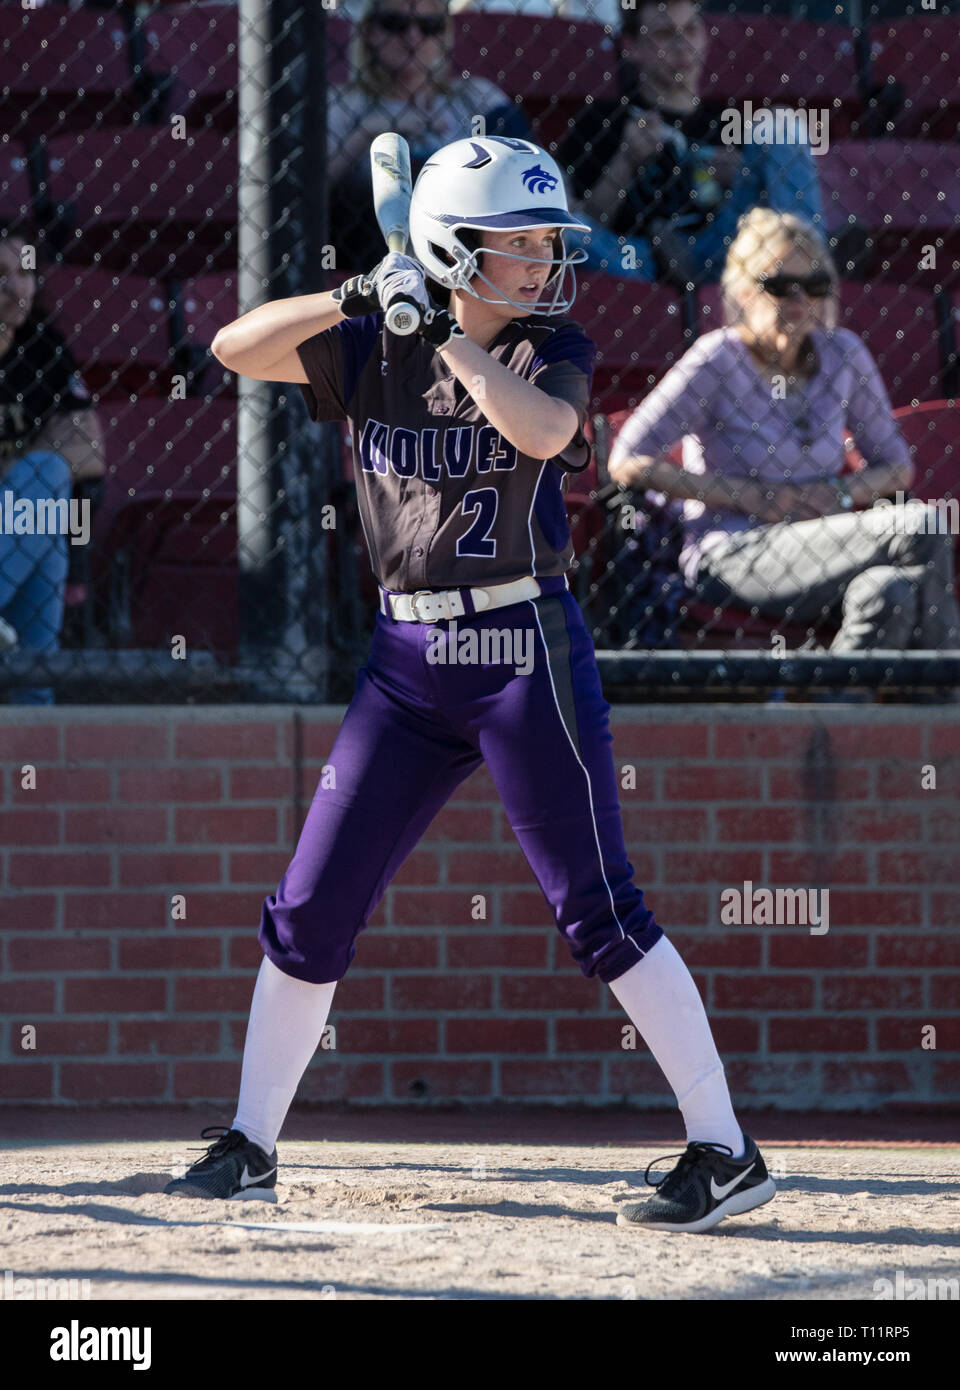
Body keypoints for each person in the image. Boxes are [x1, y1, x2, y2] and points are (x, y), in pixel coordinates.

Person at [165, 135, 777, 1234]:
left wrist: (447, 330)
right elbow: (232, 345)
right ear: (454, 247)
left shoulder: (553, 347)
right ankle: (251, 1141)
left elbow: (547, 432)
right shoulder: (373, 342)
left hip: (520, 652)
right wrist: (361, 291)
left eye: (549, 241)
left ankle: (726, 1149)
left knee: (599, 910)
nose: (546, 261)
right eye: (520, 244)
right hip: (403, 663)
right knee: (310, 905)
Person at [607, 207, 960, 654]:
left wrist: (839, 494)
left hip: (824, 546)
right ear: (743, 289)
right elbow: (627, 461)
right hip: (735, 550)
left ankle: (831, 710)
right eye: (779, 286)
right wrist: (747, 495)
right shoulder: (717, 358)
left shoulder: (844, 353)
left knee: (889, 593)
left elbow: (896, 469)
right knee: (921, 524)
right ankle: (950, 701)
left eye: (813, 287)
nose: (799, 300)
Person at [557, 0, 823, 285]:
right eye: (665, 34)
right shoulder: (603, 120)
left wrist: (745, 174)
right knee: (562, 230)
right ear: (632, 46)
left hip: (730, 249)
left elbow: (774, 205)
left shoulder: (730, 125)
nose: (682, 45)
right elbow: (589, 221)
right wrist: (626, 161)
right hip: (640, 259)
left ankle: (812, 258)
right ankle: (815, 257)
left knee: (779, 121)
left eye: (691, 29)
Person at [328, 0, 530, 272]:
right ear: (369, 31)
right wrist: (371, 133)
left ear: (444, 35)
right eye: (395, 24)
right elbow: (309, 194)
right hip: (375, 246)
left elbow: (535, 173)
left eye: (429, 26)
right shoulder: (345, 104)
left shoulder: (476, 97)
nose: (413, 37)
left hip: (484, 236)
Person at [0, 224, 105, 703]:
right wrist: (38, 448)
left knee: (47, 478)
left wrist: (23, 467)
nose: (14, 287)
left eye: (24, 273)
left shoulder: (44, 347)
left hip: (16, 516)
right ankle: (33, 714)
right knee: (45, 512)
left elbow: (89, 453)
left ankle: (32, 714)